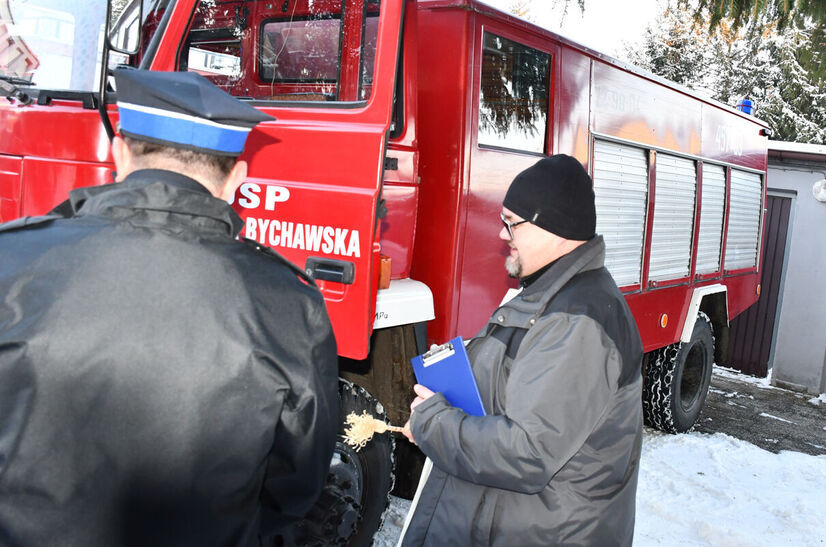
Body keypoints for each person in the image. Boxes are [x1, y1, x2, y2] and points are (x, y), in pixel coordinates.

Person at [0, 69, 339, 545]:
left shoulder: (12, 260)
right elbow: (296, 485)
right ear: (236, 180)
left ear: (119, 155)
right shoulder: (289, 305)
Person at [401, 154, 644, 546]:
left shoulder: (578, 322)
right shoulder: (552, 296)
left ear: (556, 229)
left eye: (511, 223)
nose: (502, 234)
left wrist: (434, 424)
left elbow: (528, 452)